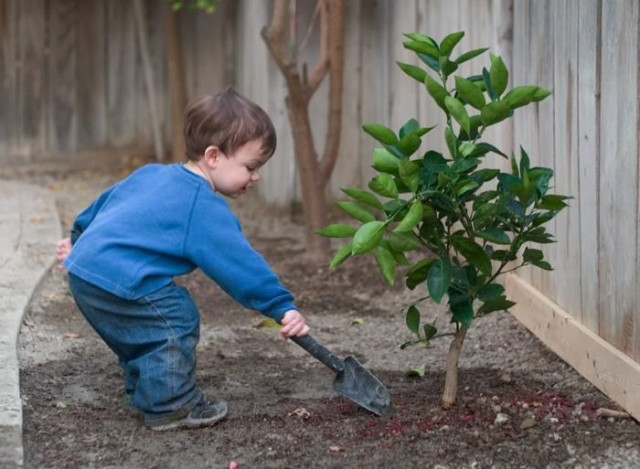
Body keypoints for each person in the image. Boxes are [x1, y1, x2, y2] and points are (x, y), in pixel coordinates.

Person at [55, 89, 310, 431]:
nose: (256, 177)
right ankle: (170, 404)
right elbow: (239, 264)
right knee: (174, 320)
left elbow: (104, 204)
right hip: (117, 276)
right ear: (214, 156)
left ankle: (146, 390)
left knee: (141, 329)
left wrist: (76, 239)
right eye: (251, 167)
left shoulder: (151, 174)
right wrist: (282, 306)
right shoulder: (201, 204)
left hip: (84, 272)